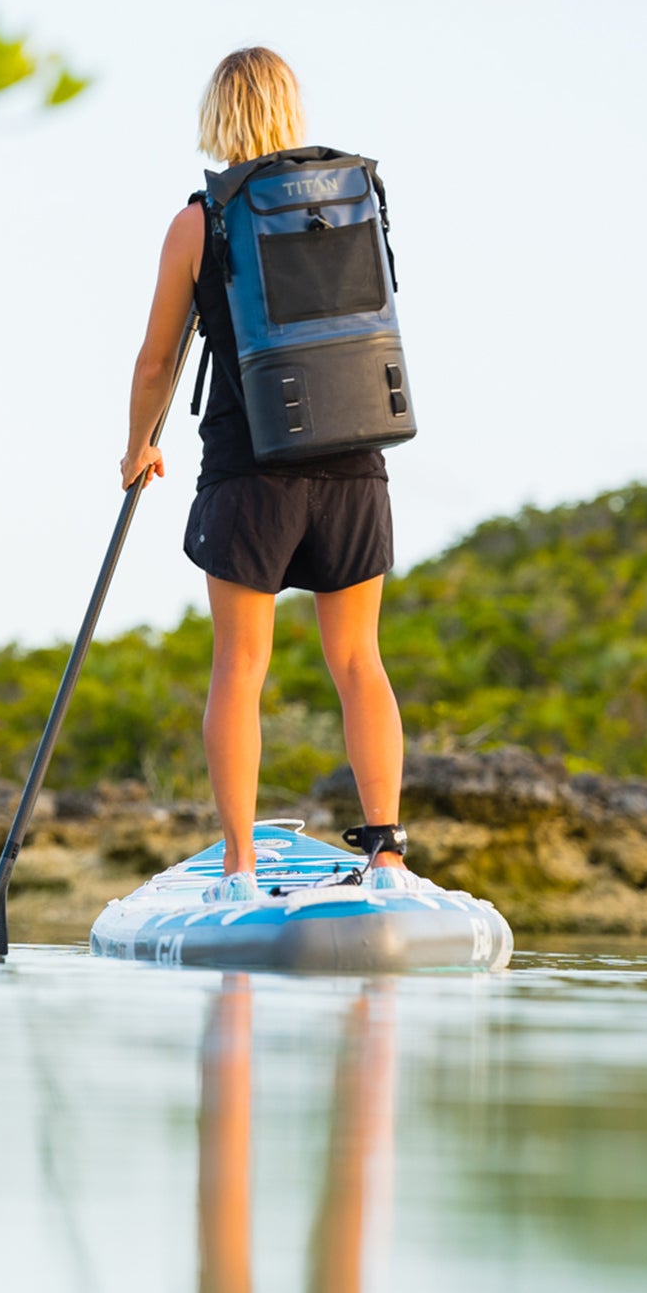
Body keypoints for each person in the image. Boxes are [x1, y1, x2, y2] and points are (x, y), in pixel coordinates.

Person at [120, 47, 413, 901]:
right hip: (356, 458)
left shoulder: (201, 219)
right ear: (293, 108)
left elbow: (155, 361)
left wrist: (140, 444)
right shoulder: (357, 198)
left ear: (218, 117)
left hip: (252, 464)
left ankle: (241, 866)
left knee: (241, 667)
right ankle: (387, 855)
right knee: (360, 660)